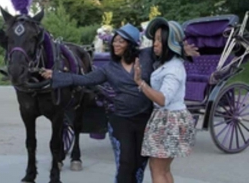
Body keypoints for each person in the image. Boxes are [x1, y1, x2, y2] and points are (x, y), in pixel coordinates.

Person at [41, 23, 198, 183]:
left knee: (141, 164)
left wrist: (183, 51)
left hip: (146, 119)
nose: (116, 44)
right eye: (114, 41)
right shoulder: (109, 69)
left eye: (121, 41)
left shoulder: (146, 56)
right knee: (126, 162)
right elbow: (83, 79)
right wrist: (56, 76)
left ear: (130, 44)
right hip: (121, 118)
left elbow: (167, 48)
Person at [133, 17, 196, 183]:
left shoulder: (173, 69)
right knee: (163, 169)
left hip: (169, 120)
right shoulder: (169, 64)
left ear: (170, 43)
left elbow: (162, 99)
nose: (155, 43)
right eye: (154, 39)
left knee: (158, 169)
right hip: (169, 118)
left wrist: (140, 83)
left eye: (160, 40)